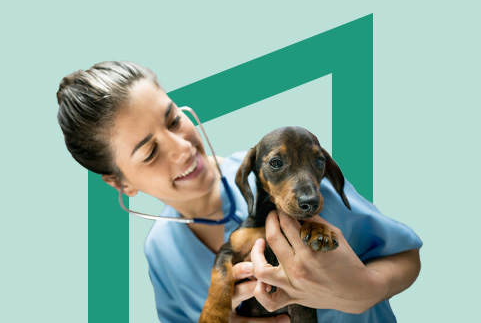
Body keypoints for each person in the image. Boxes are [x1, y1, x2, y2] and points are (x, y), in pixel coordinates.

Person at [57, 61, 422, 323]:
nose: (181, 148)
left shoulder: (294, 178)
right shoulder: (161, 252)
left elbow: (406, 257)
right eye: (150, 152)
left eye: (172, 120)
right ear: (122, 184)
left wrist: (365, 291)